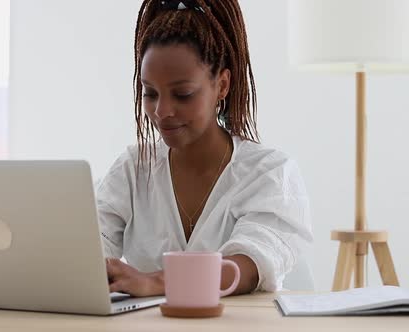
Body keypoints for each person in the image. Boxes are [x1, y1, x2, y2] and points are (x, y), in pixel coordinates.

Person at [98, 0, 312, 297]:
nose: (161, 111)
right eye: (150, 93)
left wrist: (157, 282)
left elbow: (248, 266)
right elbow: (90, 244)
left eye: (182, 94)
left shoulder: (269, 173)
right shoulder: (133, 168)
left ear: (222, 85)